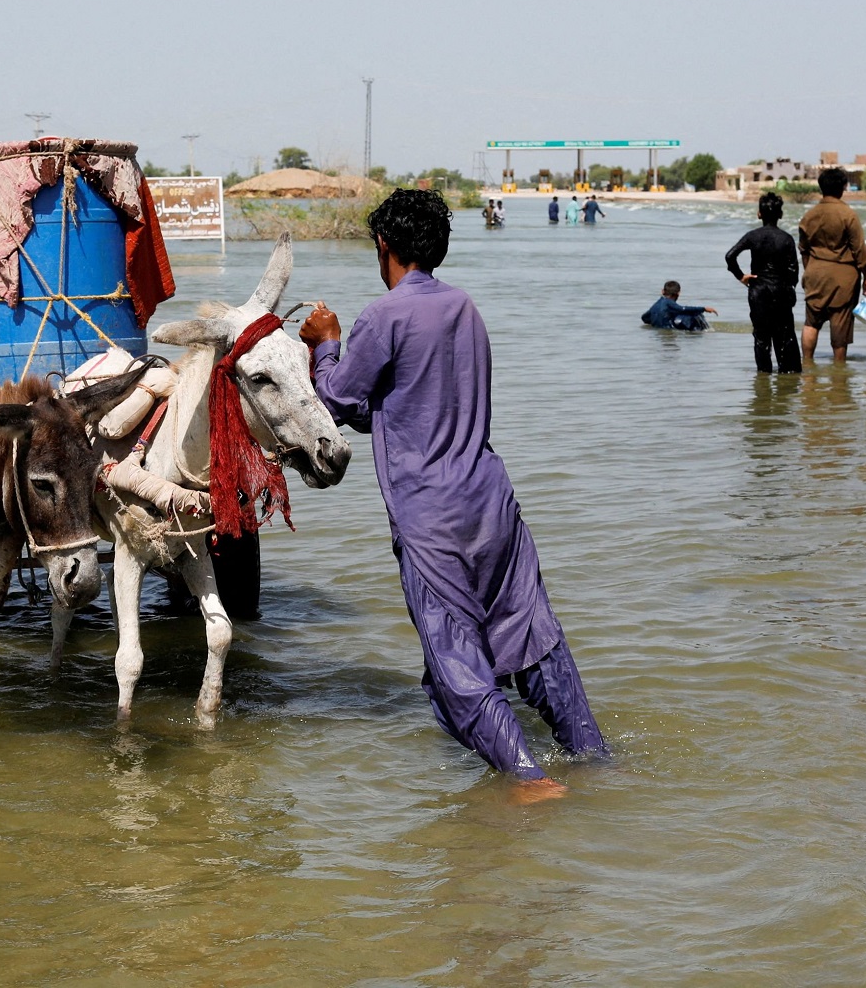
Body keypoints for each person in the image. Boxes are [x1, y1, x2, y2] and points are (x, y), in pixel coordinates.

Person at [299, 189, 608, 802]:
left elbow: (334, 400)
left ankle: (529, 778)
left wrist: (324, 342)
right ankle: (593, 757)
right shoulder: (465, 307)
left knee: (453, 658)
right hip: (492, 502)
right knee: (533, 637)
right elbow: (397, 406)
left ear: (384, 246)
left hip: (429, 514)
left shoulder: (383, 315)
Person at [796, 167, 866, 363]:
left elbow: (803, 249)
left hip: (815, 273)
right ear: (843, 188)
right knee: (840, 324)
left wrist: (810, 269)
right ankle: (839, 372)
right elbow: (859, 251)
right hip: (843, 278)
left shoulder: (809, 216)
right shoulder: (848, 215)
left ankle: (808, 366)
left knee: (811, 322)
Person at [726, 191, 802, 373]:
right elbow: (793, 274)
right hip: (781, 291)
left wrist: (741, 276)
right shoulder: (787, 239)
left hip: (758, 292)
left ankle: (764, 375)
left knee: (761, 337)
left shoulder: (752, 236)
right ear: (781, 215)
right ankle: (787, 376)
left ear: (759, 214)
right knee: (785, 338)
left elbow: (730, 256)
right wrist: (787, 287)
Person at [641, 280, 717, 331]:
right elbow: (682, 309)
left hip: (659, 333)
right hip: (669, 331)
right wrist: (703, 309)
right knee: (695, 314)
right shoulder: (668, 303)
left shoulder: (655, 305)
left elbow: (644, 318)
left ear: (662, 291)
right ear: (678, 293)